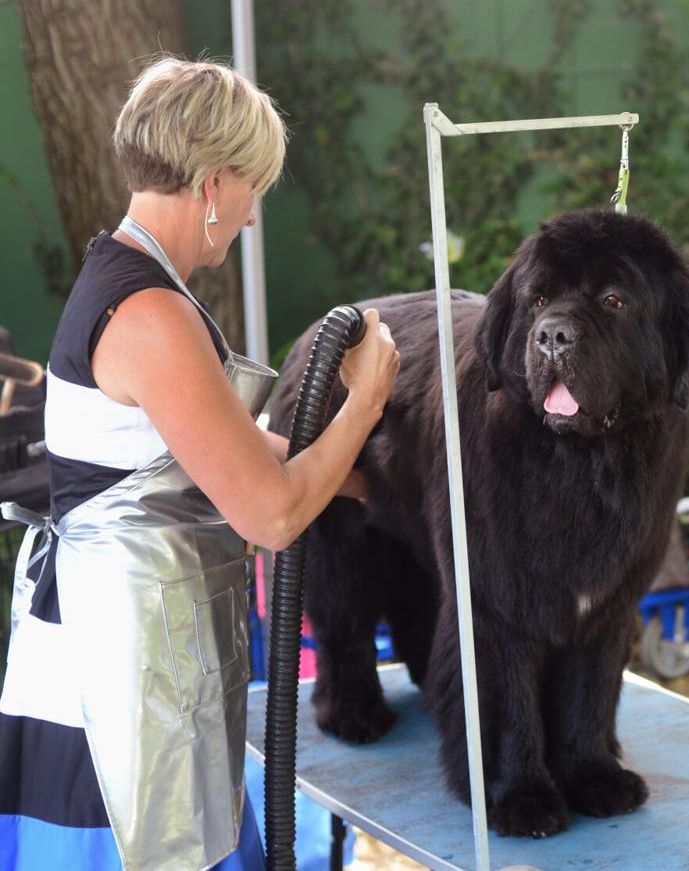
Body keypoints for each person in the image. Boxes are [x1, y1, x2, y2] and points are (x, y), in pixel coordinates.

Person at [0, 57, 399, 869]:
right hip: (111, 702)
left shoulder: (141, 284)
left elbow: (235, 453)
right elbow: (271, 511)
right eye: (254, 188)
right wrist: (366, 401)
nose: (254, 216)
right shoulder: (149, 314)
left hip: (149, 668)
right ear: (214, 183)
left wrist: (381, 478)